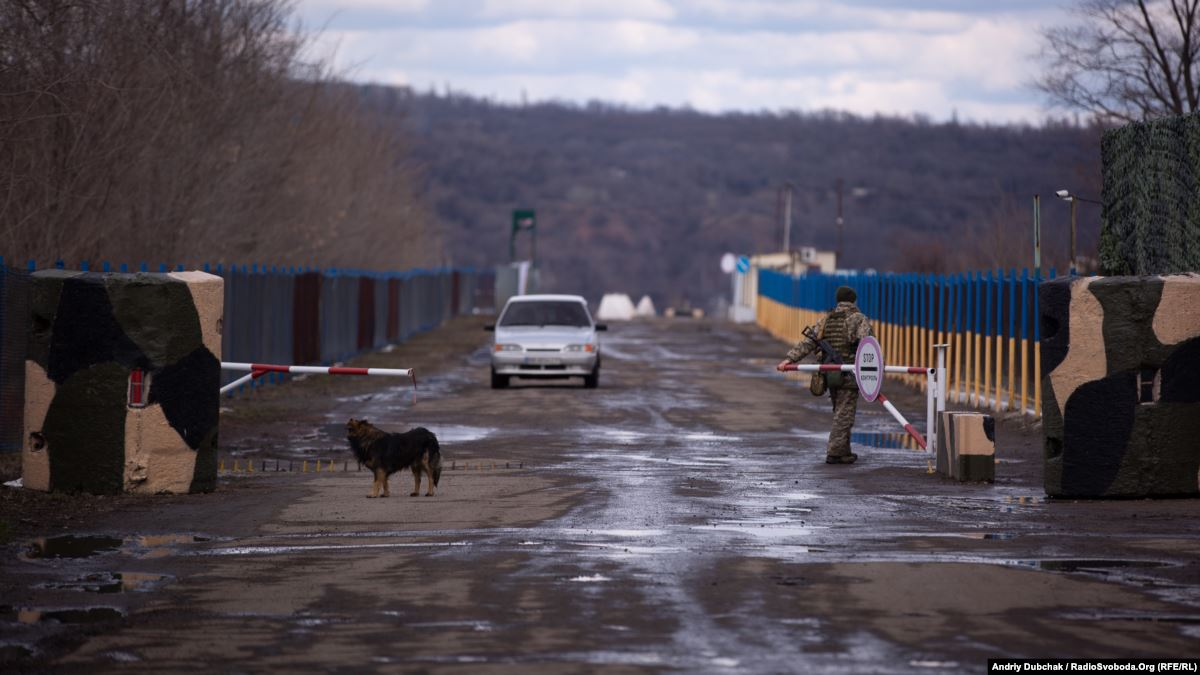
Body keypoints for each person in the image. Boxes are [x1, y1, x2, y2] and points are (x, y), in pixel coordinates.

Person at [776, 285, 874, 464]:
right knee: (845, 414)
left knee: (841, 412)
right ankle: (835, 452)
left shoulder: (826, 319)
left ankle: (844, 451)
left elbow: (807, 343)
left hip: (830, 373)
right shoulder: (858, 319)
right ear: (853, 300)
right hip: (849, 372)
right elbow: (868, 344)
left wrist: (789, 360)